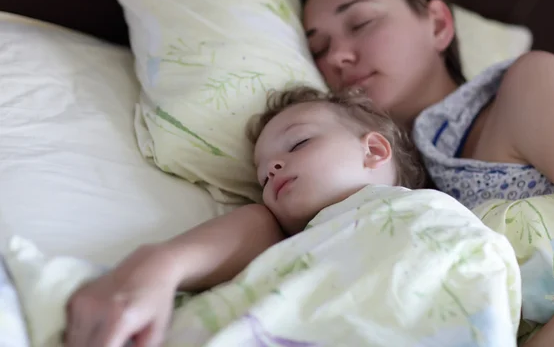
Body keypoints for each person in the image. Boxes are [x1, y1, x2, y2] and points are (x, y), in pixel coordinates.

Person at [66, 0, 554, 345]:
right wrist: (156, 269)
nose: (339, 56)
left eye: (361, 21)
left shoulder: (527, 88)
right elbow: (272, 224)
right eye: (317, 48)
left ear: (438, 23)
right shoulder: (364, 175)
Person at [64, 86, 432, 346]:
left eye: (299, 143)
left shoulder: (433, 210)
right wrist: (159, 267)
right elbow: (251, 228)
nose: (272, 169)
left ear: (373, 150)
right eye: (262, 177)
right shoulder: (286, 237)